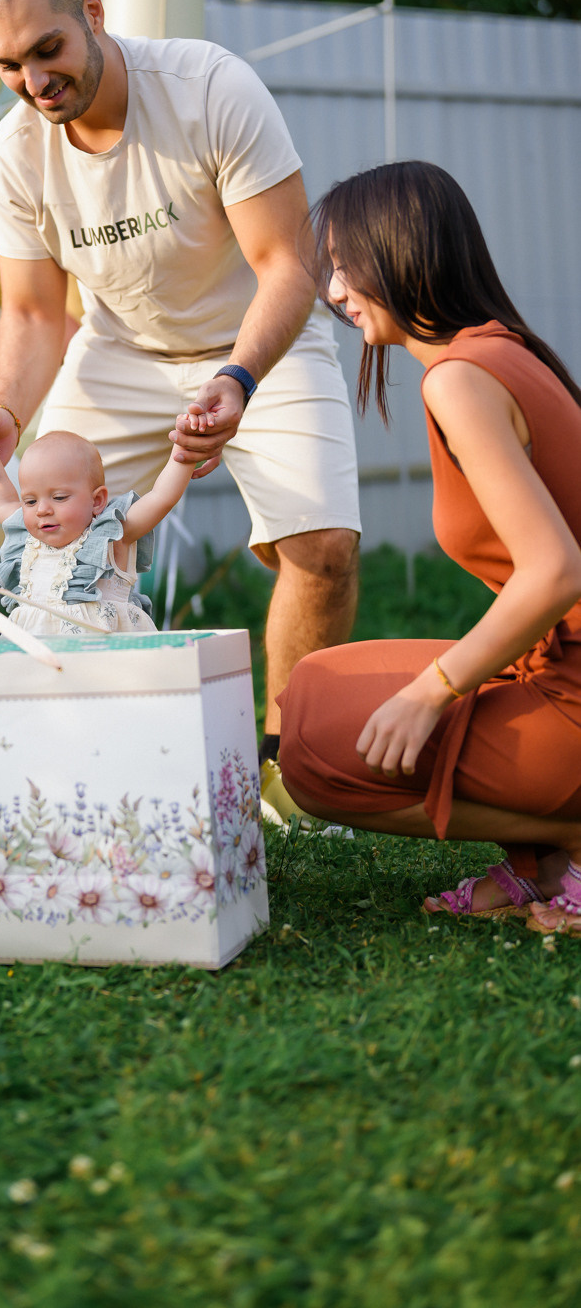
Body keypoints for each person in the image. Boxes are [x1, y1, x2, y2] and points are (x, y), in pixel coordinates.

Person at [0, 0, 360, 812]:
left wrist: (239, 379)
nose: (32, 80)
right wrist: (2, 415)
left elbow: (287, 264)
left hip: (259, 342)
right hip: (119, 351)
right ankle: (76, 764)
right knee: (43, 537)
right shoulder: (16, 153)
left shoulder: (210, 87)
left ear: (92, 12)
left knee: (320, 549)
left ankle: (293, 781)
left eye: (47, 50)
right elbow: (30, 314)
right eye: (8, 65)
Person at [278, 160, 581, 936]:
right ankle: (542, 856)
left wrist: (431, 691)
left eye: (346, 265)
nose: (332, 289)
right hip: (551, 668)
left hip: (573, 695)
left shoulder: (459, 377)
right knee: (307, 690)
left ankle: (569, 835)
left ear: (403, 251)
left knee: (314, 756)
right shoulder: (502, 348)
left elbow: (554, 570)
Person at [0, 426, 196, 635]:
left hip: (107, 668)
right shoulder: (27, 539)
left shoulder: (112, 535)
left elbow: (160, 498)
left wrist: (184, 452)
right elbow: (3, 500)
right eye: (30, 501)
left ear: (97, 501)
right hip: (42, 669)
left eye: (59, 497)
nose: (42, 509)